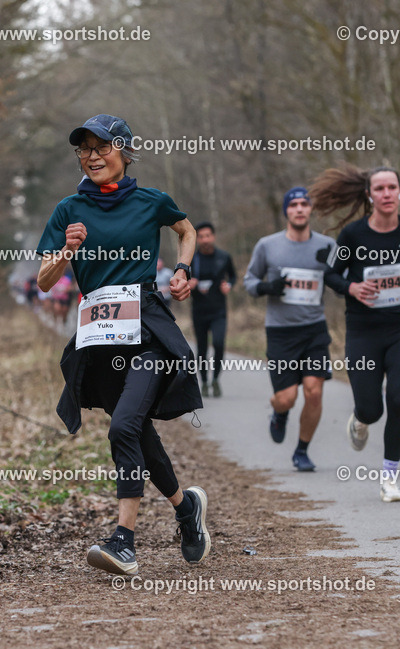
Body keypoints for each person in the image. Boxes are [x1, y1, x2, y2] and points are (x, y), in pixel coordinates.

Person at [37, 114, 210, 575]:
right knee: (137, 433)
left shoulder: (152, 202)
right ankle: (185, 509)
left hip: (148, 329)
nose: (92, 156)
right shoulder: (68, 209)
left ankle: (124, 540)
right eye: (84, 149)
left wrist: (182, 270)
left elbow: (187, 231)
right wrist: (66, 252)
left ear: (124, 151)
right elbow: (43, 280)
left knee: (122, 429)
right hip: (99, 338)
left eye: (101, 147)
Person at [312, 165, 400, 502]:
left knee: (399, 399)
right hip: (363, 333)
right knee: (372, 409)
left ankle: (389, 479)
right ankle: (360, 419)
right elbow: (331, 275)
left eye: (392, 187)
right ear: (369, 195)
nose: (386, 194)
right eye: (380, 189)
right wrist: (353, 288)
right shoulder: (354, 235)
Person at [244, 187, 335, 472]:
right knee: (287, 398)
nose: (299, 209)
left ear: (310, 210)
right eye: (293, 204)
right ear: (286, 210)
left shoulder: (327, 245)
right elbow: (248, 281)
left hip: (314, 329)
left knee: (314, 392)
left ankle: (302, 451)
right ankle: (278, 412)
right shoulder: (267, 245)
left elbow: (344, 279)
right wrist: (266, 287)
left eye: (304, 204)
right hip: (281, 331)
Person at [188, 221, 237, 398]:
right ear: (197, 239)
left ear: (213, 236)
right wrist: (188, 283)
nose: (205, 239)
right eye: (201, 236)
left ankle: (216, 378)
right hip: (199, 311)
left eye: (207, 235)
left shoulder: (224, 257)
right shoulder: (192, 259)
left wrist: (229, 284)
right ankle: (205, 382)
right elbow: (181, 278)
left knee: (218, 343)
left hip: (218, 310)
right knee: (201, 348)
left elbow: (233, 275)